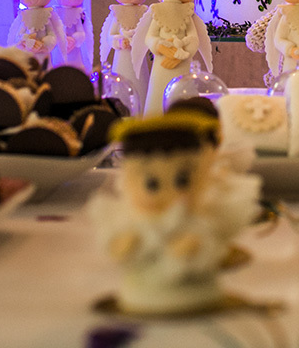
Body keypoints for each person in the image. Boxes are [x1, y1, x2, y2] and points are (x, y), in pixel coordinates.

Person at [87, 110, 259, 314]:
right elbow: (119, 243)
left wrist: (193, 246)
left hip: (194, 285)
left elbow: (207, 241)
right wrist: (126, 243)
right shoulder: (131, 219)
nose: (170, 193)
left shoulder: (195, 219)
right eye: (151, 184)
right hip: (145, 286)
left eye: (182, 181)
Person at [131, 0, 212, 115]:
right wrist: (160, 47)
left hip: (182, 61)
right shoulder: (156, 11)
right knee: (158, 92)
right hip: (162, 61)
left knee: (182, 94)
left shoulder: (188, 13)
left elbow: (194, 38)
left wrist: (180, 55)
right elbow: (150, 37)